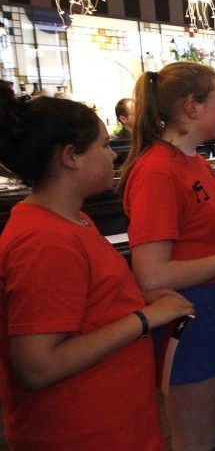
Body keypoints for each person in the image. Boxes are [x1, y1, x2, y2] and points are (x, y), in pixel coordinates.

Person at [0, 88, 194, 450]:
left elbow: (86, 306)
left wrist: (140, 300)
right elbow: (38, 365)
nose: (112, 156)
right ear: (70, 156)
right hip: (80, 430)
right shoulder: (43, 241)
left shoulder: (72, 221)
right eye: (104, 146)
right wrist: (143, 318)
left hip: (115, 421)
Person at [119, 62, 215, 451]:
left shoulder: (192, 161)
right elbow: (151, 274)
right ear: (192, 106)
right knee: (196, 436)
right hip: (190, 315)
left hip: (214, 310)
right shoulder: (158, 171)